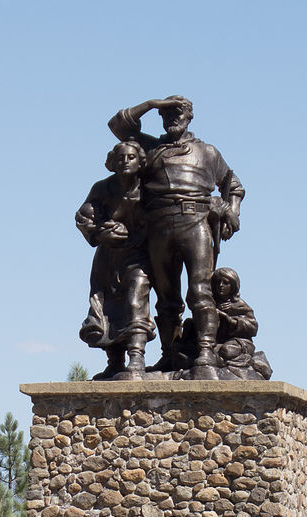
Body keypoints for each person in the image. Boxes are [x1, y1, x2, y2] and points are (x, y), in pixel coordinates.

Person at [108, 96, 243, 378]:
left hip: (195, 222)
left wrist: (232, 210)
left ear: (189, 117)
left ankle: (205, 354)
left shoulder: (207, 152)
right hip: (157, 226)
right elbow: (118, 125)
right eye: (166, 114)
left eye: (178, 113)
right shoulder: (149, 148)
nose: (172, 118)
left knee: (200, 290)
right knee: (166, 297)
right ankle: (170, 355)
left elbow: (233, 184)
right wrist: (153, 103)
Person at [75, 140, 154, 379]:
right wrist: (100, 232)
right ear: (112, 163)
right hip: (108, 257)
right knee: (105, 305)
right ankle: (115, 361)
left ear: (140, 161)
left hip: (139, 254)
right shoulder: (102, 188)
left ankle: (136, 356)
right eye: (120, 158)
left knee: (134, 300)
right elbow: (83, 216)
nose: (125, 162)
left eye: (131, 157)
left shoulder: (150, 188)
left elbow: (164, 219)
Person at [211, 267, 271, 380]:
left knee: (227, 351)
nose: (221, 285)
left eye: (225, 282)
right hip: (218, 342)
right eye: (218, 282)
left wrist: (230, 320)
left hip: (240, 342)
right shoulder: (212, 303)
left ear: (233, 285)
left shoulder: (239, 304)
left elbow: (253, 327)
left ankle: (250, 362)